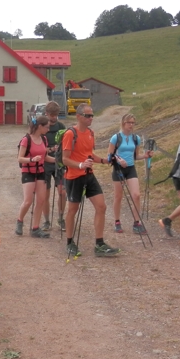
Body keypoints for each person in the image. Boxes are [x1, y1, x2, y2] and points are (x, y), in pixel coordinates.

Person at [62, 104, 120, 258]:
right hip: (74, 177)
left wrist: (104, 161)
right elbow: (65, 159)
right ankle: (69, 242)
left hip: (89, 174)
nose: (91, 118)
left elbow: (89, 154)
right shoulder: (70, 134)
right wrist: (80, 165)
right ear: (78, 116)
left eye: (92, 115)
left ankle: (99, 244)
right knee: (72, 210)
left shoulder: (90, 133)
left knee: (101, 206)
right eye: (87, 115)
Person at [107, 113, 153, 234]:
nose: (131, 125)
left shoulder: (136, 138)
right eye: (129, 122)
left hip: (131, 168)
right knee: (118, 196)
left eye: (133, 123)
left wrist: (145, 156)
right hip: (118, 169)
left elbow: (136, 156)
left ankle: (136, 223)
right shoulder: (116, 138)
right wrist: (119, 160)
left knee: (136, 195)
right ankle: (117, 222)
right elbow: (109, 156)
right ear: (123, 123)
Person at [16, 115, 52, 238]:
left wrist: (58, 160)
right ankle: (20, 220)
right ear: (40, 126)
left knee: (41, 200)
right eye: (47, 127)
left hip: (40, 171)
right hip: (28, 172)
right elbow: (20, 158)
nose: (48, 129)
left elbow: (45, 157)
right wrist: (31, 159)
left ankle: (35, 228)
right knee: (28, 201)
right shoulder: (26, 140)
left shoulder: (44, 139)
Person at [40, 101, 65, 231]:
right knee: (45, 195)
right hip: (45, 164)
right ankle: (46, 221)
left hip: (59, 163)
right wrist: (51, 149)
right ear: (47, 113)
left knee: (62, 192)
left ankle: (61, 219)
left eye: (56, 115)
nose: (54, 117)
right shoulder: (42, 127)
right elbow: (38, 148)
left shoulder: (61, 126)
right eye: (52, 115)